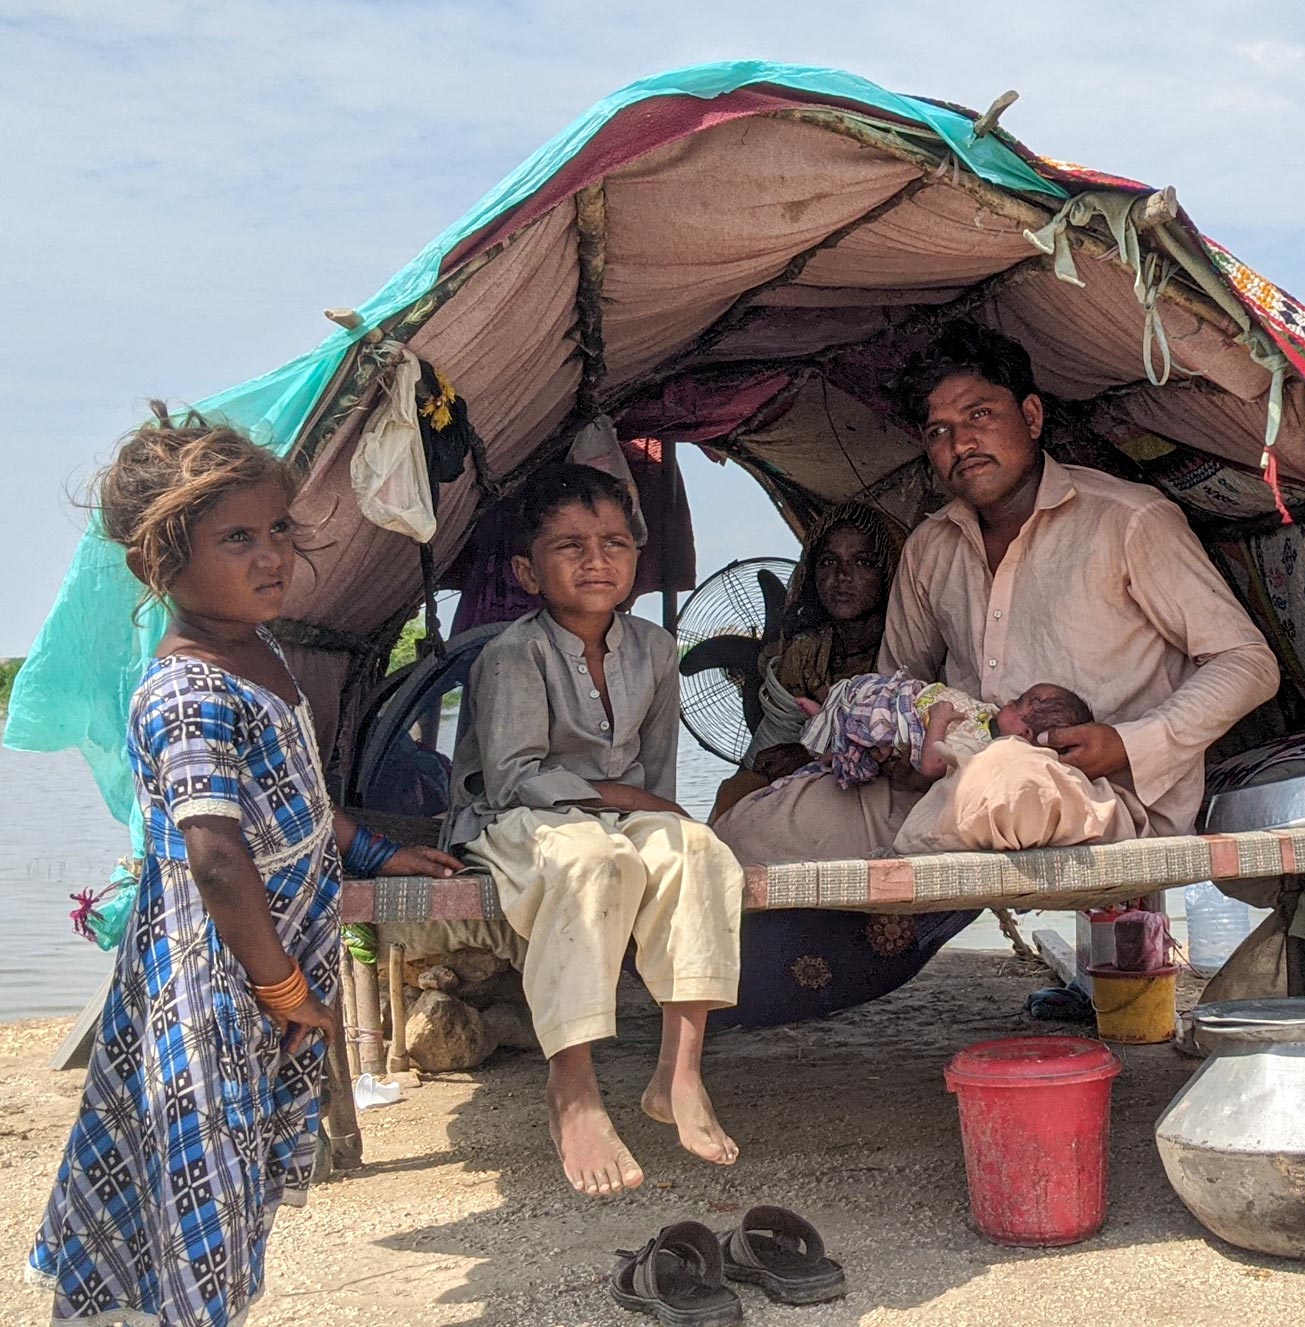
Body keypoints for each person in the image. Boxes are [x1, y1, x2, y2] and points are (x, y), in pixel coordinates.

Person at [28, 406, 461, 1327]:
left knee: (223, 1178)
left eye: (277, 530)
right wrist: (282, 991)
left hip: (260, 971)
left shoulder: (258, 655)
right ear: (160, 564)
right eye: (237, 538)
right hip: (212, 983)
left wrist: (377, 850)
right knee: (202, 1177)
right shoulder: (186, 687)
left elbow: (297, 800)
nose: (271, 555)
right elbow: (218, 858)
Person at [713, 322, 1280, 863]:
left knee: (1004, 780)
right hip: (943, 788)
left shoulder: (1131, 521)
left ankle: (916, 860)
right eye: (939, 431)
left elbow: (1247, 662)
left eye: (979, 415)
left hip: (1093, 796)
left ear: (1031, 417)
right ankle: (907, 866)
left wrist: (1129, 744)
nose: (962, 443)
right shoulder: (930, 547)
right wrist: (890, 742)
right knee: (753, 831)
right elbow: (899, 686)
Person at [445, 463, 745, 1196]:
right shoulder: (513, 653)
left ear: (637, 561)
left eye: (614, 542)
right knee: (591, 860)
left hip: (618, 818)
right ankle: (572, 1086)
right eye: (570, 546)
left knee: (698, 847)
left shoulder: (656, 649)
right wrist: (621, 797)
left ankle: (678, 1072)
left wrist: (650, 813)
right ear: (527, 570)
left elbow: (660, 779)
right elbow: (514, 778)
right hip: (515, 822)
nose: (596, 559)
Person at [707, 501, 904, 821]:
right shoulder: (804, 655)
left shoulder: (906, 649)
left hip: (887, 803)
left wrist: (810, 756)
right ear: (812, 572)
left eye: (863, 561)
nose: (842, 576)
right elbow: (762, 754)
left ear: (888, 570)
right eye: (828, 561)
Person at [796, 671, 1095, 785]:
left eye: (1018, 704)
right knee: (864, 691)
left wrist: (938, 719)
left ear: (1024, 735)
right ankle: (829, 710)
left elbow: (931, 765)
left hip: (905, 724)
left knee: (863, 734)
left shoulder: (977, 750)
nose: (1010, 702)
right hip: (907, 698)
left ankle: (824, 729)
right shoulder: (990, 719)